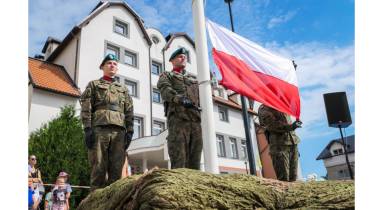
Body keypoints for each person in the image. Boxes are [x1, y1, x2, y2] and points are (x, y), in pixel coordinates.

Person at [80, 54, 134, 190]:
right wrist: (87, 129)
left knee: (116, 170)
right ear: (102, 67)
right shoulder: (94, 85)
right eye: (109, 63)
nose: (112, 66)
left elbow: (129, 111)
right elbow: (86, 107)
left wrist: (130, 132)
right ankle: (95, 202)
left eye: (115, 64)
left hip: (119, 132)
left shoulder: (123, 89)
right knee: (98, 167)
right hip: (99, 129)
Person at [157, 47, 203, 170]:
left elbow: (202, 98)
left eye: (184, 56)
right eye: (180, 56)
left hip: (195, 122)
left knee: (195, 160)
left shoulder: (194, 81)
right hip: (178, 120)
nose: (183, 58)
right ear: (172, 60)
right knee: (179, 159)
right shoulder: (167, 75)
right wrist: (179, 99)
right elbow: (165, 90)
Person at [258, 104, 302, 182]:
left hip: (292, 143)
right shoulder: (264, 109)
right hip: (279, 146)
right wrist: (292, 126)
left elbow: (288, 122)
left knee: (294, 178)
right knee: (284, 179)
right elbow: (273, 126)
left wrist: (294, 125)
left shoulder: (282, 104)